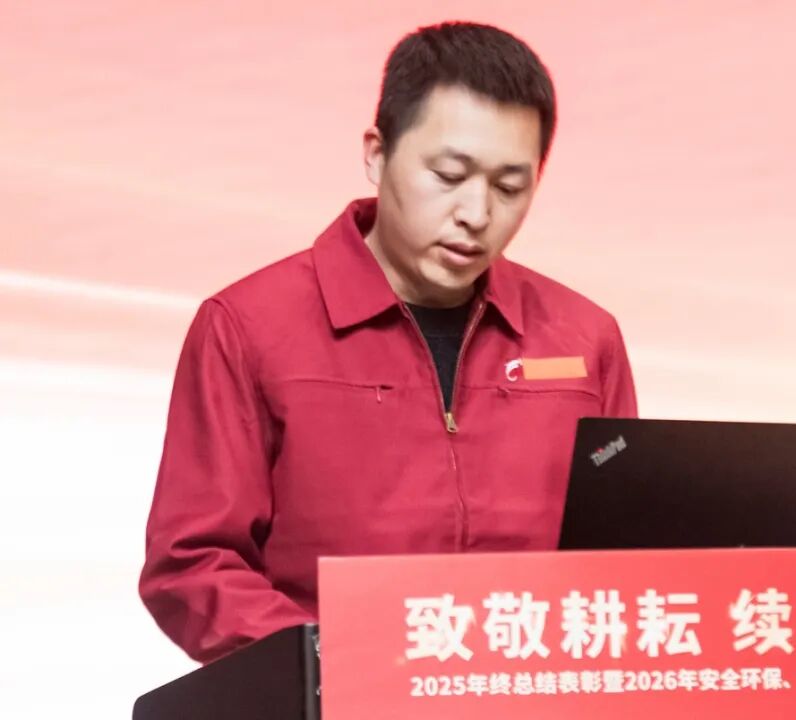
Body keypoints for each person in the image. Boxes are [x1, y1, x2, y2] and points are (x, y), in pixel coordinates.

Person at [139, 21, 637, 664]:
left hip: (536, 693)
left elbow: (628, 559)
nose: (477, 214)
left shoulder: (586, 339)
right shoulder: (247, 327)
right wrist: (339, 665)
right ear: (376, 153)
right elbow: (194, 565)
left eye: (510, 187)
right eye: (449, 175)